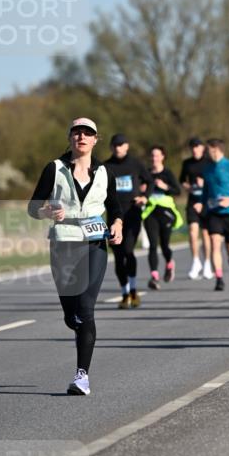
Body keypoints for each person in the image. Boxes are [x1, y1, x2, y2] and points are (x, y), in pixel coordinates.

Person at [28, 117, 123, 395]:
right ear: (70, 138)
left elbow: (115, 207)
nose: (81, 137)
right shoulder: (54, 169)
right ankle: (75, 319)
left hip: (94, 243)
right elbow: (33, 207)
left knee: (86, 307)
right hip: (63, 244)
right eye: (77, 133)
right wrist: (46, 212)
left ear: (96, 140)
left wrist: (117, 224)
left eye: (87, 133)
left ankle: (82, 376)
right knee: (72, 315)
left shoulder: (106, 173)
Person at [105, 133, 152, 308]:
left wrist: (145, 197)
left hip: (132, 213)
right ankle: (124, 293)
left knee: (128, 250)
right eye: (115, 145)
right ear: (111, 147)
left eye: (121, 145)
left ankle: (133, 291)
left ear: (127, 146)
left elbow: (150, 180)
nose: (118, 148)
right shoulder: (105, 166)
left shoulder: (136, 164)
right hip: (113, 216)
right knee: (118, 256)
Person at [201, 138, 229, 291]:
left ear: (217, 150)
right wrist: (202, 203)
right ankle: (219, 278)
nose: (207, 153)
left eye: (209, 150)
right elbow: (206, 190)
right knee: (214, 242)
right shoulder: (207, 169)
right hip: (214, 213)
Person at [142, 145, 182, 288]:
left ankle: (170, 263)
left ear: (162, 157)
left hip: (166, 212)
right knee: (153, 245)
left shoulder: (167, 173)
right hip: (150, 212)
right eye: (152, 155)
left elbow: (178, 191)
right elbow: (139, 189)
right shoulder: (146, 173)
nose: (154, 158)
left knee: (164, 244)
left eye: (157, 155)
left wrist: (165, 187)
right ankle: (154, 277)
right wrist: (142, 190)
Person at [179, 137, 213, 281]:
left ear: (202, 148)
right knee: (193, 232)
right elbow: (181, 180)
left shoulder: (209, 162)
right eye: (192, 147)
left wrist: (204, 183)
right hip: (192, 202)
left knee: (206, 235)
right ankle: (196, 262)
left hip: (206, 202)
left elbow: (215, 180)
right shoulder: (187, 163)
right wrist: (189, 187)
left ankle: (207, 264)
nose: (194, 149)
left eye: (197, 146)